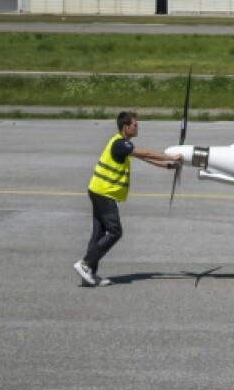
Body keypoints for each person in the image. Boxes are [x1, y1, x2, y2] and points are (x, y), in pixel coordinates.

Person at [75, 111, 181, 287]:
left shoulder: (123, 144)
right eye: (134, 124)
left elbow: (144, 157)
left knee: (98, 234)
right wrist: (170, 156)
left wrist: (168, 166)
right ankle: (85, 264)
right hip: (104, 193)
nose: (137, 126)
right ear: (125, 127)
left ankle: (89, 276)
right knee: (115, 232)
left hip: (98, 190)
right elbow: (145, 152)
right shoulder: (119, 143)